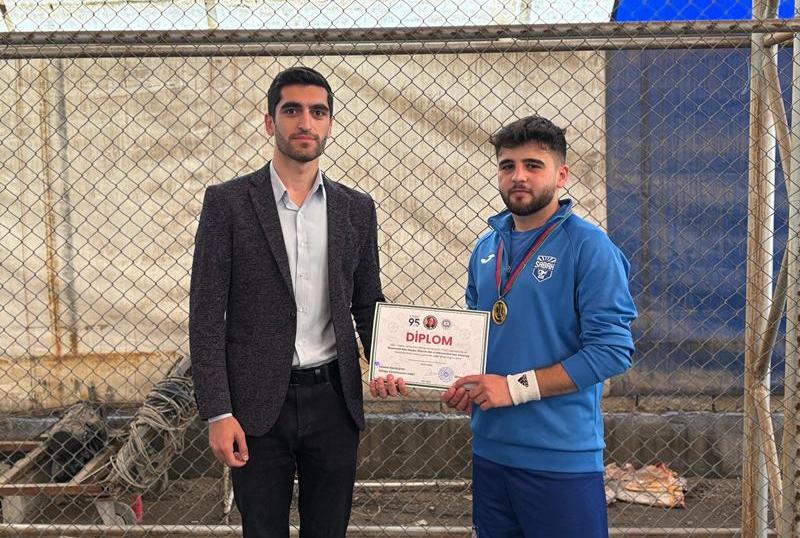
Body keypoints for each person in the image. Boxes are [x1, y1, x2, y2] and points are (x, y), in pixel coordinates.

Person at [189, 66, 406, 538]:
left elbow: (366, 300)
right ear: (270, 121)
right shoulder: (228, 203)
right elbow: (205, 315)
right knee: (262, 530)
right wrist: (218, 412)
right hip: (255, 404)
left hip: (334, 401)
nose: (305, 122)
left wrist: (388, 361)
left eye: (318, 112)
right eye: (292, 110)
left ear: (330, 124)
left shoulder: (356, 208)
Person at [442, 115, 637, 538]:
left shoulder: (590, 247)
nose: (519, 176)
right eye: (508, 165)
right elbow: (479, 342)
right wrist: (461, 383)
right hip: (491, 451)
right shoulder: (486, 247)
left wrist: (513, 389)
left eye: (533, 165)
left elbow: (612, 351)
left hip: (560, 459)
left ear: (561, 175)